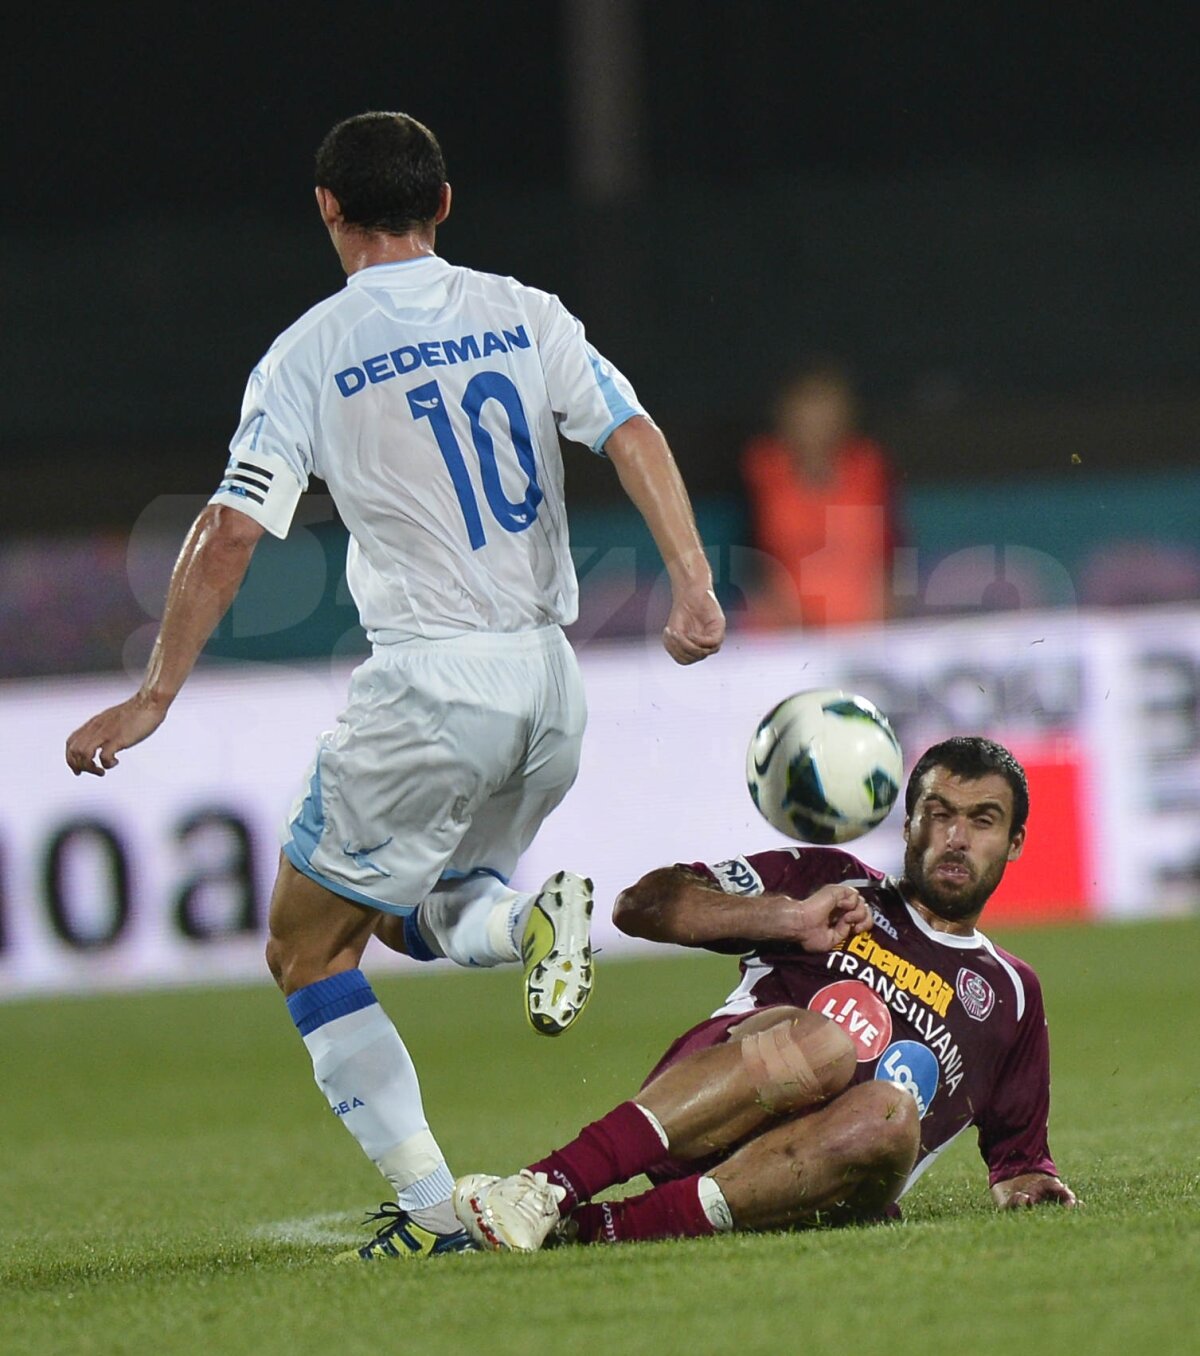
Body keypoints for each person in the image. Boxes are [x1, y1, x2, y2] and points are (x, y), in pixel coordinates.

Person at [64, 110, 725, 1261]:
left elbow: (230, 531)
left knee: (305, 947)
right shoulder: (525, 312)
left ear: (327, 208)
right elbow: (630, 431)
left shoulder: (308, 353)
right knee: (413, 910)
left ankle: (428, 1212)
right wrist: (695, 583)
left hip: (431, 689)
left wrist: (155, 693)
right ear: (445, 203)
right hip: (549, 684)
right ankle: (526, 920)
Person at [453, 736, 1076, 1251]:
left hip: (821, 1181)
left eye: (982, 820)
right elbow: (642, 906)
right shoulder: (828, 879)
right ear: (908, 823)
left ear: (1015, 842)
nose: (957, 837)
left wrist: (1031, 1186)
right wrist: (787, 918)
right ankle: (546, 1186)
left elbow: (1020, 1162)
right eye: (939, 814)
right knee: (824, 1044)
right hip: (704, 1113)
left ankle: (591, 1230)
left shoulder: (1012, 993)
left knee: (889, 1114)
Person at [741, 360, 901, 629]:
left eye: (826, 407)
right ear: (785, 412)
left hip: (864, 625)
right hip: (784, 625)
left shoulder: (869, 466)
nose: (816, 421)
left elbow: (890, 553)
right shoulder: (761, 467)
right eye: (807, 407)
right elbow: (750, 559)